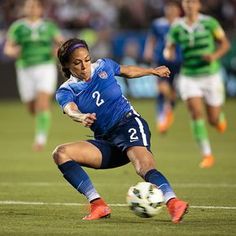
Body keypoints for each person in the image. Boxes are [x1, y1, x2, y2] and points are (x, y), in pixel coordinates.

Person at [53, 38, 188, 223]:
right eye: (77, 63)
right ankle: (98, 204)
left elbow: (126, 71)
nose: (85, 66)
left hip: (128, 124)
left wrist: (152, 71)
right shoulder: (66, 90)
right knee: (61, 154)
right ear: (67, 65)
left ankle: (173, 203)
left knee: (143, 167)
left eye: (86, 59)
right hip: (106, 141)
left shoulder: (103, 66)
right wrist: (81, 116)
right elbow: (69, 109)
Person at [164, 0, 230, 168]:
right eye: (186, 2)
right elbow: (169, 46)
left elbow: (225, 44)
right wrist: (169, 53)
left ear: (199, 5)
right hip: (188, 76)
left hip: (210, 75)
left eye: (192, 2)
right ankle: (207, 154)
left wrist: (214, 56)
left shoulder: (210, 23)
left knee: (213, 119)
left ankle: (218, 119)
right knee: (195, 112)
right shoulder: (177, 26)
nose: (189, 5)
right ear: (183, 6)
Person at [4, 0, 64, 151]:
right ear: (24, 9)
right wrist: (12, 52)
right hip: (25, 69)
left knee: (42, 103)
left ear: (40, 9)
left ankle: (40, 140)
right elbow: (8, 48)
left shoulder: (49, 26)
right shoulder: (18, 27)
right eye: (29, 6)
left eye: (35, 6)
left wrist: (58, 50)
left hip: (45, 67)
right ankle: (42, 117)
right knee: (31, 107)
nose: (32, 9)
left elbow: (62, 43)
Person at [144, 1, 182, 134]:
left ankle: (169, 108)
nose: (170, 10)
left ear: (179, 10)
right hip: (161, 60)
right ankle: (161, 119)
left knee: (173, 92)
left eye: (173, 7)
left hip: (179, 63)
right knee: (162, 89)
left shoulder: (182, 24)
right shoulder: (158, 23)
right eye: (168, 7)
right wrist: (148, 51)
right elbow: (152, 39)